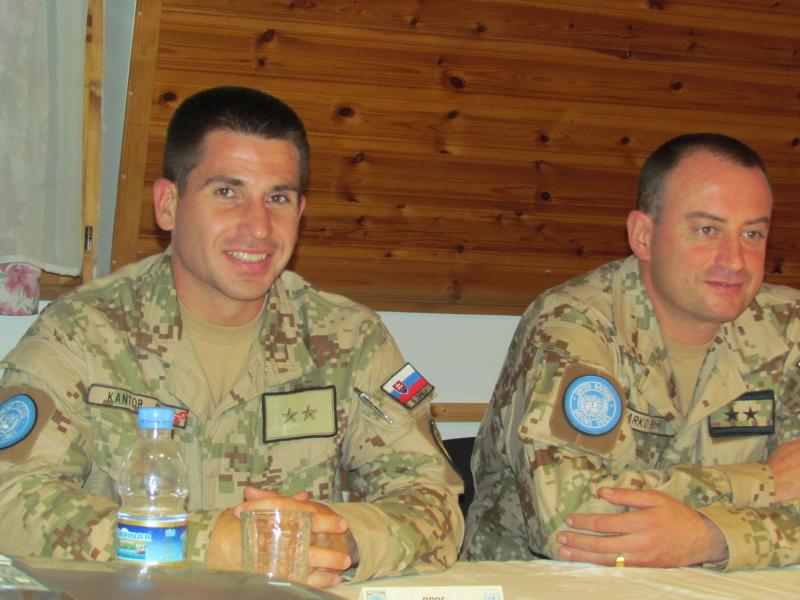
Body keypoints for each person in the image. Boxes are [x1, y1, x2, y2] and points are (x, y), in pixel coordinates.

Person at [0, 86, 463, 588]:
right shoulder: (81, 333)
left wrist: (344, 540)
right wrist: (205, 544)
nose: (258, 227)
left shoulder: (349, 339)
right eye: (227, 192)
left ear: (300, 213)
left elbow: (434, 500)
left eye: (278, 198)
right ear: (168, 205)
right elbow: (12, 499)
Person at [462, 133, 800, 570]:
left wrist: (712, 539)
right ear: (643, 235)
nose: (735, 260)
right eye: (707, 230)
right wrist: (763, 483)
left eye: (752, 233)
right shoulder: (575, 324)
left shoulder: (789, 327)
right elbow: (573, 518)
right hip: (553, 586)